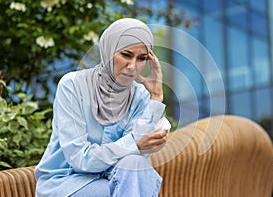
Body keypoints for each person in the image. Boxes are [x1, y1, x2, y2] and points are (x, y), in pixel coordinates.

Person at [34, 18, 171, 197]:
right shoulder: (72, 85)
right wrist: (134, 145)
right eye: (126, 55)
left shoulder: (140, 96)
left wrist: (156, 98)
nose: (132, 66)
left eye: (141, 58)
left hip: (113, 178)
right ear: (108, 51)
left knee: (135, 167)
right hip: (67, 181)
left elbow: (137, 156)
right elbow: (80, 158)